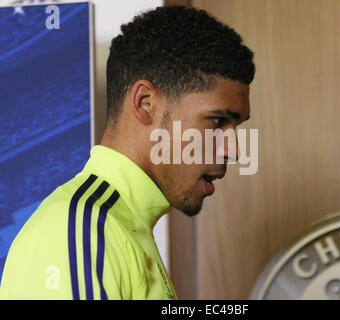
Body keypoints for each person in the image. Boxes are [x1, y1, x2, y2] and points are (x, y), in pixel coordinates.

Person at [0, 5, 255, 300]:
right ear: (145, 103)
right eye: (218, 121)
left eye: (236, 126)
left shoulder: (117, 227)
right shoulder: (83, 232)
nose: (234, 150)